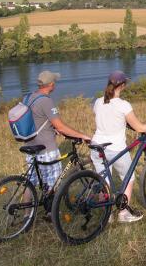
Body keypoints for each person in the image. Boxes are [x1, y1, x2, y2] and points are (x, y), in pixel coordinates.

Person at [90, 70, 146, 223]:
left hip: (96, 146)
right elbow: (139, 128)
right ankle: (123, 214)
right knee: (128, 178)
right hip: (114, 147)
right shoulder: (123, 105)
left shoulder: (98, 102)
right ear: (122, 85)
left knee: (104, 181)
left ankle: (107, 215)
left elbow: (105, 118)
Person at [23, 71, 91, 214]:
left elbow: (38, 120)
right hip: (46, 149)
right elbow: (60, 125)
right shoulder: (46, 101)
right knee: (53, 181)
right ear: (52, 85)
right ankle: (51, 213)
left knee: (31, 183)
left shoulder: (29, 97)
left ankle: (26, 217)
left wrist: (53, 129)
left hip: (30, 146)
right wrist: (82, 135)